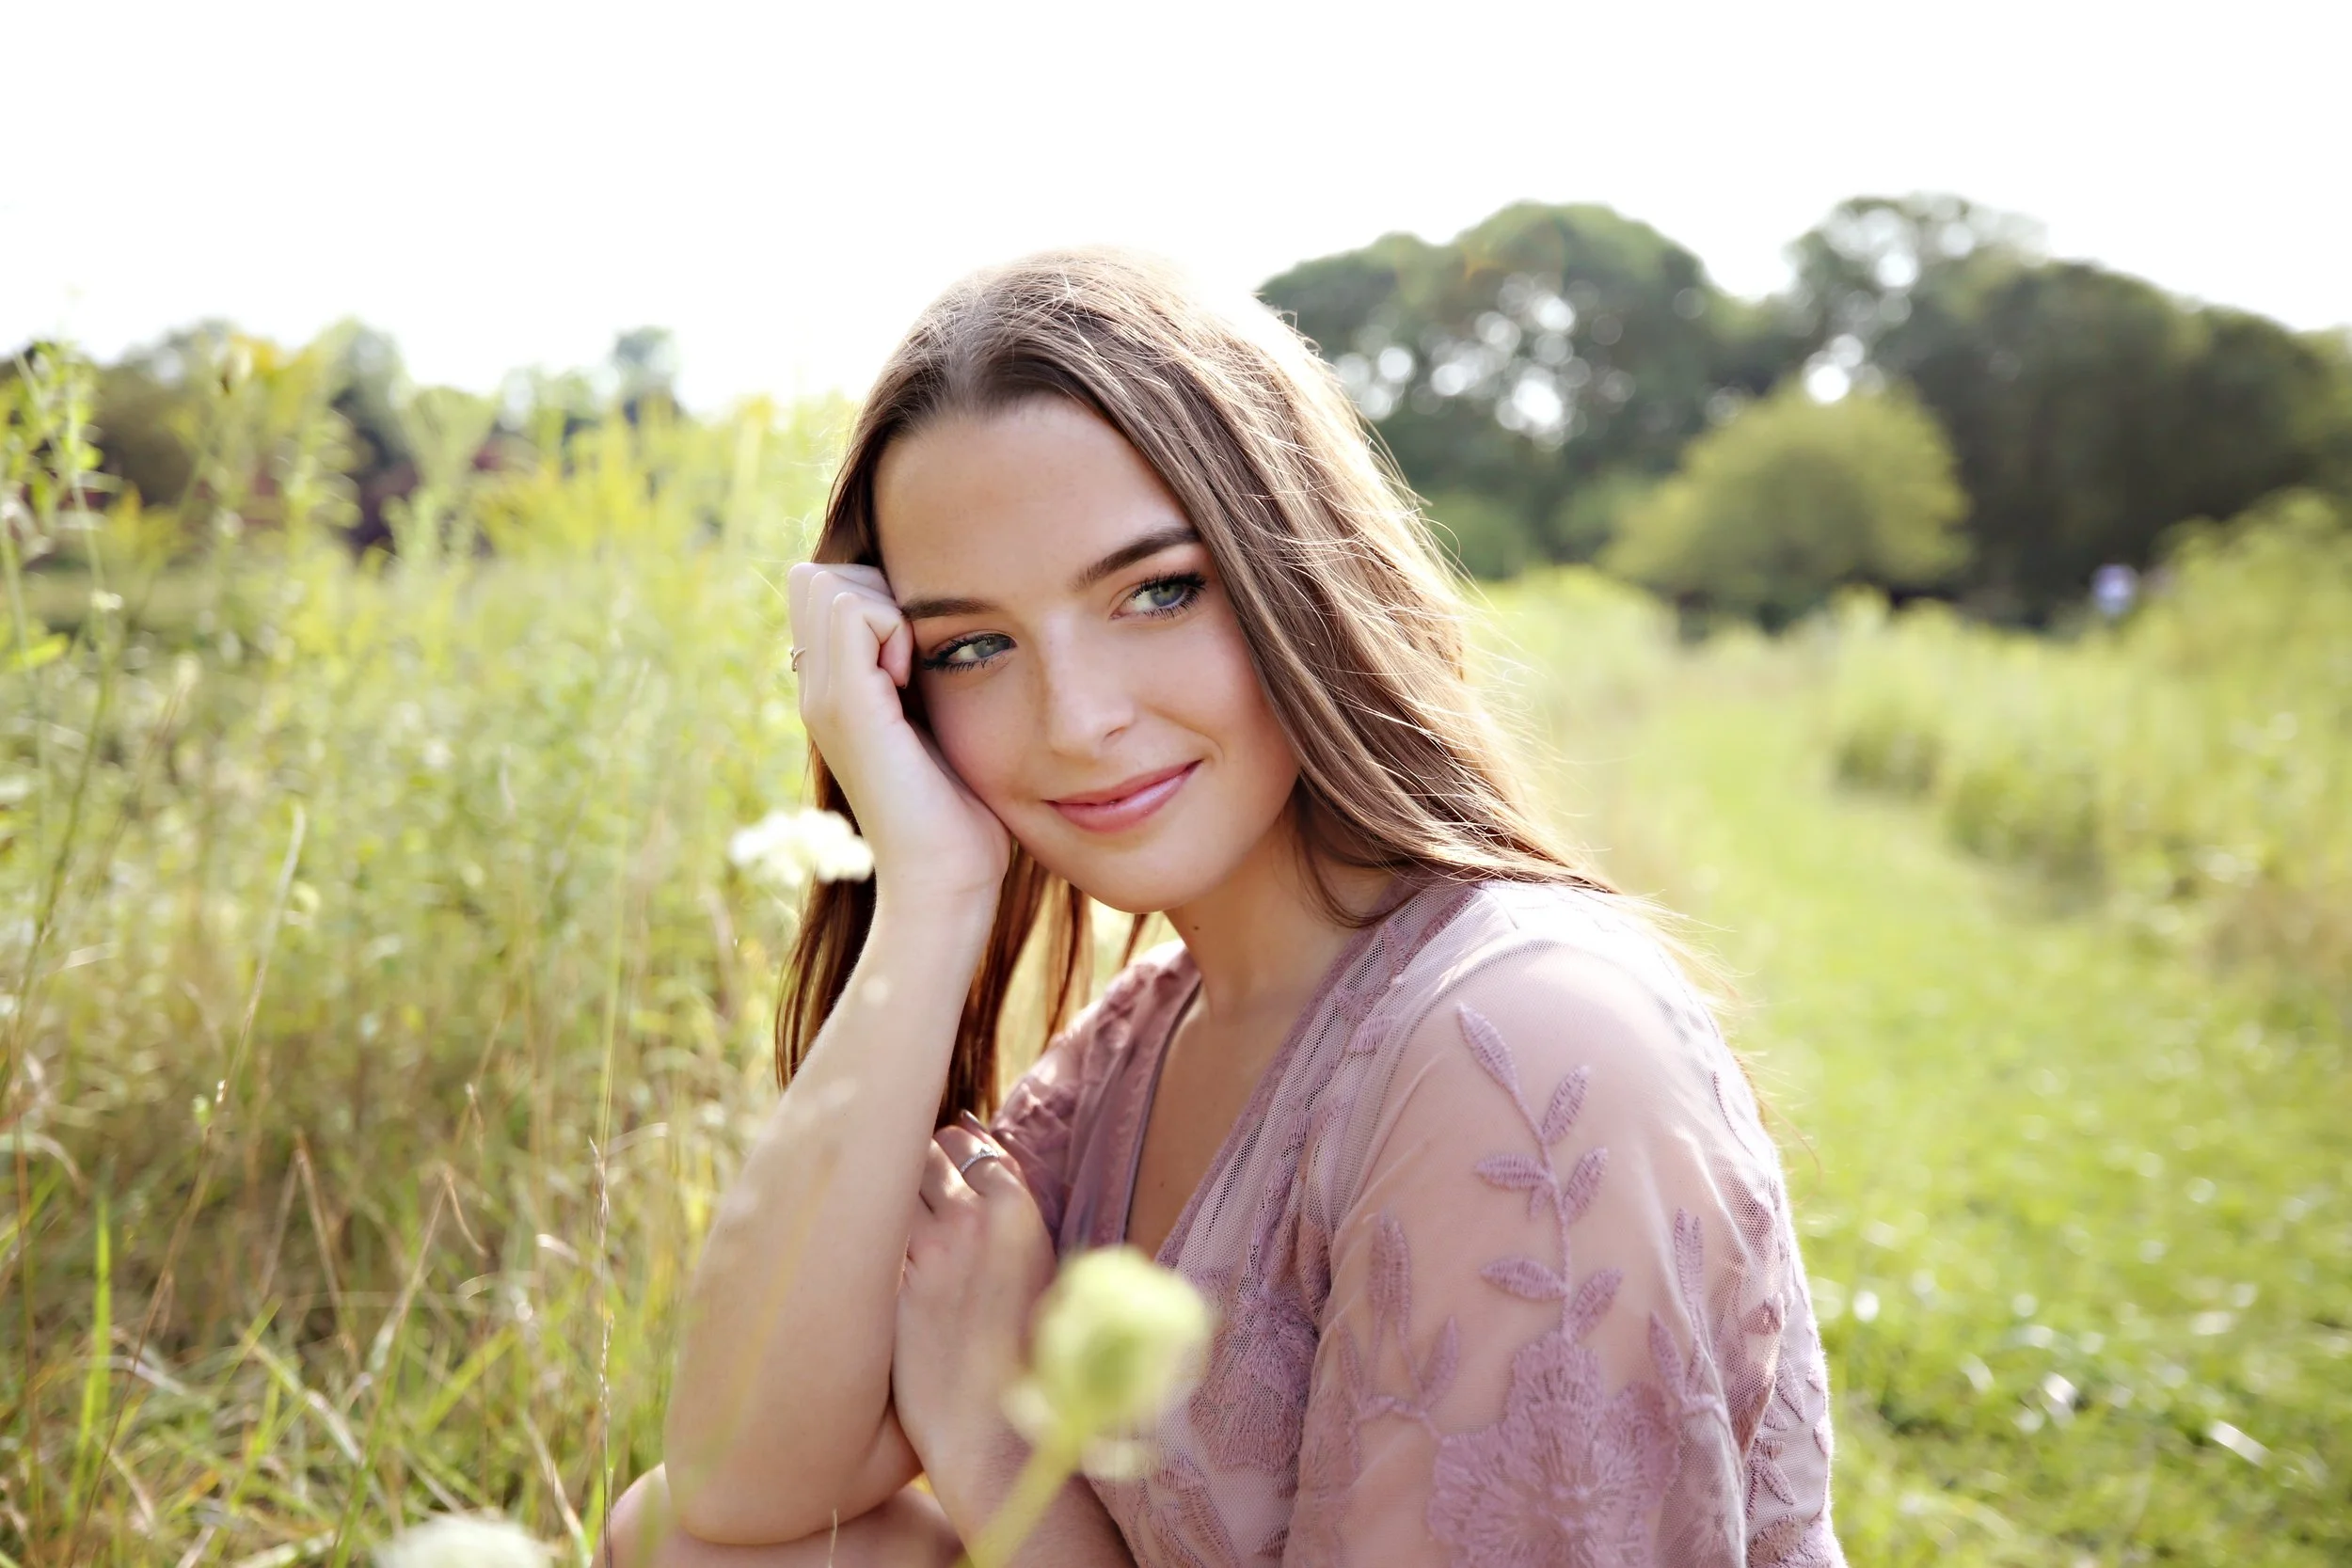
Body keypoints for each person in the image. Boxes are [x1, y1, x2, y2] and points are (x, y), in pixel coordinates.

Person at [607, 250, 1843, 1566]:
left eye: (1156, 589)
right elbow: (743, 1481)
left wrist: (989, 1437)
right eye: (974, 645)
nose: (1077, 720)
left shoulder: (1522, 1043)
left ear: (1296, 569)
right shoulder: (1151, 1036)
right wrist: (926, 891)